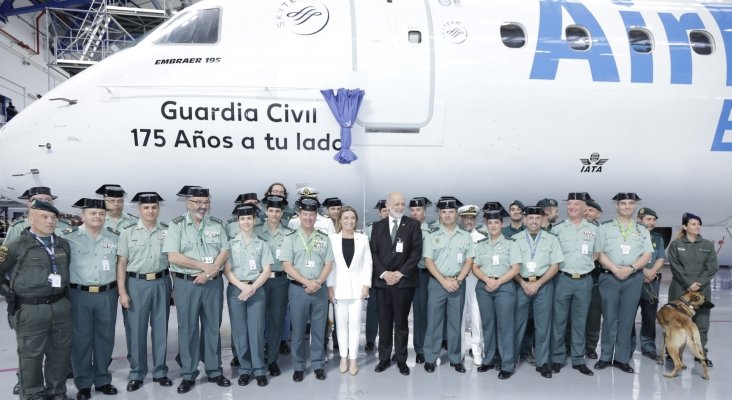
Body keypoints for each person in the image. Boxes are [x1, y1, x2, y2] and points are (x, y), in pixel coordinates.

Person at [162, 186, 231, 394]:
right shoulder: (177, 225)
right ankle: (188, 374)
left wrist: (210, 272)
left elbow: (224, 250)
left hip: (213, 283)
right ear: (188, 203)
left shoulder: (217, 224)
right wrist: (204, 267)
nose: (203, 207)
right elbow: (173, 256)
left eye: (206, 202)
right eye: (198, 203)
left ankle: (214, 370)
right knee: (188, 329)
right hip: (187, 284)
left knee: (212, 327)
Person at [0, 200, 71, 400]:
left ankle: (57, 391)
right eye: (44, 217)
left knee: (60, 353)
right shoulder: (15, 246)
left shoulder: (63, 245)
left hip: (59, 306)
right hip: (30, 309)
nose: (50, 221)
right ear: (30, 219)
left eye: (53, 217)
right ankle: (32, 394)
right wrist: (7, 292)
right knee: (30, 356)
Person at [63, 198, 120, 400]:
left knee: (105, 338)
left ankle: (103, 379)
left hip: (107, 293)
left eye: (101, 214)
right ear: (83, 216)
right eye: (92, 213)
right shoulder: (69, 238)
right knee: (81, 339)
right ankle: (84, 383)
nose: (97, 217)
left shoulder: (115, 238)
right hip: (79, 294)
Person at [116, 192, 172, 392]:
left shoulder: (167, 231)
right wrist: (122, 292)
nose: (150, 211)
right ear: (139, 209)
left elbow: (173, 260)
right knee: (137, 331)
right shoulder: (127, 233)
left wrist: (172, 287)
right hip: (136, 284)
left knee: (161, 329)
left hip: (161, 282)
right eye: (146, 207)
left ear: (158, 209)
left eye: (154, 207)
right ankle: (137, 373)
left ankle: (160, 372)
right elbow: (121, 264)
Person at [594, 193, 652, 374]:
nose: (627, 206)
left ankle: (621, 358)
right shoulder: (604, 228)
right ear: (617, 206)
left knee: (627, 320)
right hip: (609, 277)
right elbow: (598, 252)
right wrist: (614, 268)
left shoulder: (642, 229)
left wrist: (631, 268)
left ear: (634, 206)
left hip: (633, 278)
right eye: (623, 203)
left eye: (630, 203)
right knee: (610, 318)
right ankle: (605, 357)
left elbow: (647, 254)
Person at [281, 197, 334, 382]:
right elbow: (287, 265)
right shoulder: (290, 238)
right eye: (305, 214)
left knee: (319, 329)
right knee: (298, 330)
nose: (308, 218)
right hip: (298, 290)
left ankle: (319, 364)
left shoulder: (324, 238)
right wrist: (306, 282)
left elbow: (329, 263)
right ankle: (299, 366)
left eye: (312, 214)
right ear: (299, 215)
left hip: (319, 289)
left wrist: (318, 281)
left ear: (316, 216)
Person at [370, 192, 423, 376]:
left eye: (403, 204)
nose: (400, 207)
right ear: (388, 204)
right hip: (383, 283)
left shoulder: (413, 225)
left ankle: (401, 359)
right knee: (384, 323)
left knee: (401, 323)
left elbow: (416, 253)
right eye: (397, 204)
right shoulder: (377, 227)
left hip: (403, 283)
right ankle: (384, 358)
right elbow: (373, 253)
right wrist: (385, 273)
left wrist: (399, 273)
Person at [423, 197, 474, 374]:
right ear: (439, 214)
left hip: (458, 283)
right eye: (443, 212)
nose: (447, 215)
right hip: (437, 283)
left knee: (455, 322)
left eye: (451, 212)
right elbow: (428, 261)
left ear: (456, 214)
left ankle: (455, 358)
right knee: (434, 322)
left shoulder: (465, 236)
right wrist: (444, 281)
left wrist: (458, 280)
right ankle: (430, 357)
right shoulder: (432, 235)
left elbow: (469, 260)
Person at [549, 193, 598, 377]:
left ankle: (578, 359)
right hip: (562, 278)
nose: (572, 207)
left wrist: (584, 265)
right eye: (570, 204)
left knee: (580, 321)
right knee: (559, 321)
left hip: (584, 280)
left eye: (576, 204)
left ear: (585, 208)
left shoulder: (594, 229)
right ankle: (557, 358)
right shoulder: (558, 229)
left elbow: (597, 252)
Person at [224, 204, 273, 387]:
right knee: (240, 331)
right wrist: (243, 287)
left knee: (257, 330)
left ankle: (259, 369)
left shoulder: (262, 243)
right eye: (242, 219)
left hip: (257, 289)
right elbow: (227, 271)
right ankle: (245, 369)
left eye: (249, 218)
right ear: (238, 222)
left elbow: (267, 270)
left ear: (254, 220)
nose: (246, 222)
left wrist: (252, 288)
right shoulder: (230, 244)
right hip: (236, 289)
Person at [511, 206, 563, 379]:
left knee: (543, 325)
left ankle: (542, 363)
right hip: (521, 285)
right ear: (525, 219)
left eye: (537, 218)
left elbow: (555, 265)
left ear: (542, 220)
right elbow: (512, 266)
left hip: (544, 285)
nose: (534, 221)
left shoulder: (551, 239)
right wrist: (523, 283)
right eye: (530, 218)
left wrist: (538, 283)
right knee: (517, 324)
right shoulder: (515, 239)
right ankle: (510, 361)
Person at [472, 208, 519, 379]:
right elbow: (475, 266)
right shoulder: (481, 245)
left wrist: (497, 282)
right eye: (489, 223)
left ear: (502, 224)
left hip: (504, 287)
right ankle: (489, 359)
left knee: (505, 326)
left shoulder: (510, 244)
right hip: (484, 287)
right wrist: (487, 280)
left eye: (496, 222)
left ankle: (507, 364)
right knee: (488, 325)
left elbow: (515, 268)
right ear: (486, 224)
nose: (493, 226)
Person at [666, 212, 718, 366]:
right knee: (676, 322)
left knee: (701, 323)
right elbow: (675, 267)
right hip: (680, 288)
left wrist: (698, 283)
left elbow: (712, 267)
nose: (697, 226)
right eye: (693, 224)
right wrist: (689, 283)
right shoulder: (676, 245)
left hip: (702, 290)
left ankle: (700, 354)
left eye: (699, 224)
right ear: (685, 226)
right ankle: (673, 353)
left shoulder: (707, 245)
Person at [327, 206, 372, 375]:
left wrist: (366, 284)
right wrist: (329, 287)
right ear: (340, 220)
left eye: (352, 218)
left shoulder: (362, 238)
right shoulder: (332, 239)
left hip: (358, 290)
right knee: (341, 324)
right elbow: (329, 265)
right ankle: (343, 357)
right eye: (345, 218)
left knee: (355, 324)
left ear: (356, 220)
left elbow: (368, 263)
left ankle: (353, 359)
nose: (349, 221)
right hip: (338, 288)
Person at [255, 196, 294, 377]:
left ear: (282, 213)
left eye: (277, 211)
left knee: (277, 321)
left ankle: (272, 360)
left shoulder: (288, 233)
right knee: (258, 321)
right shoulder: (256, 231)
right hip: (259, 281)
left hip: (280, 281)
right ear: (266, 211)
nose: (274, 214)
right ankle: (257, 359)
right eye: (271, 210)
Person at [630, 207, 666, 360]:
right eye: (648, 219)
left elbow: (661, 258)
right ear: (639, 220)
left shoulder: (658, 238)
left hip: (651, 284)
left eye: (653, 220)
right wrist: (644, 270)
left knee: (650, 317)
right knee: (628, 316)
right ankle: (628, 345)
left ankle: (648, 346)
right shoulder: (630, 236)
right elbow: (628, 256)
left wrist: (652, 272)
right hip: (633, 281)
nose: (651, 222)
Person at [458, 205, 485, 366]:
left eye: (472, 218)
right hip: (459, 279)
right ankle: (460, 350)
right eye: (466, 218)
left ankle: (477, 351)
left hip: (475, 279)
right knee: (459, 316)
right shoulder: (457, 235)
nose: (469, 221)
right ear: (461, 219)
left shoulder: (481, 237)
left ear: (476, 219)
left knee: (476, 317)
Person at [2, 187, 71, 245]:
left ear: (52, 203)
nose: (44, 203)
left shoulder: (65, 226)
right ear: (29, 204)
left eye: (48, 200)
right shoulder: (18, 227)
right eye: (38, 200)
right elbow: (7, 253)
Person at [409, 196, 432, 364]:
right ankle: (400, 348)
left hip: (422, 274)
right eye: (413, 210)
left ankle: (420, 349)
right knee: (401, 314)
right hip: (405, 275)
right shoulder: (406, 229)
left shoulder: (431, 232)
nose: (415, 213)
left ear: (425, 212)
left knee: (421, 313)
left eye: (418, 210)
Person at [365, 198, 388, 352]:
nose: (387, 213)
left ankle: (386, 340)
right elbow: (367, 253)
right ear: (380, 213)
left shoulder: (400, 228)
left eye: (389, 210)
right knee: (372, 310)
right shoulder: (370, 229)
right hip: (376, 274)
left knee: (390, 311)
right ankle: (370, 339)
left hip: (394, 276)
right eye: (384, 211)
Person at [584, 198, 603, 359]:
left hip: (596, 278)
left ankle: (590, 346)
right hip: (576, 276)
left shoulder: (602, 231)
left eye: (591, 210)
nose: (587, 212)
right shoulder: (573, 229)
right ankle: (571, 345)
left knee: (594, 314)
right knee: (573, 313)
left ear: (598, 214)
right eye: (585, 209)